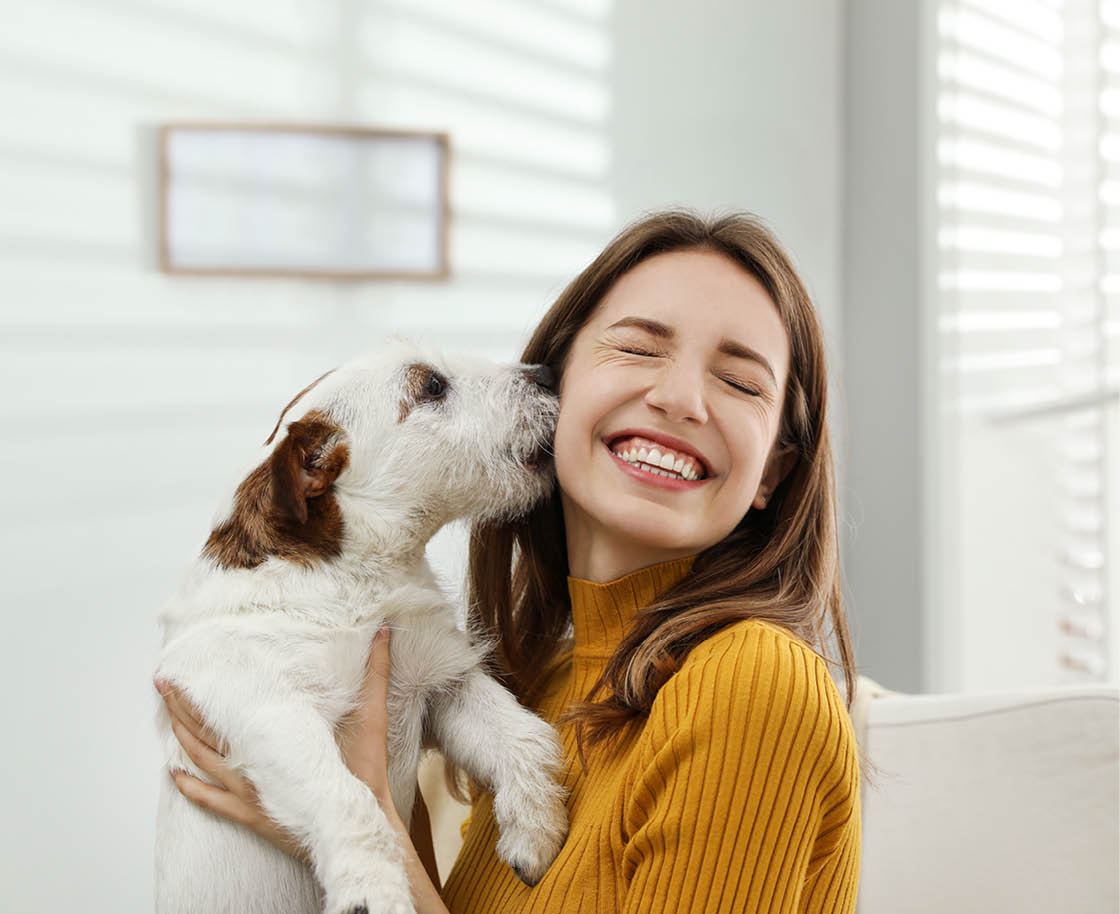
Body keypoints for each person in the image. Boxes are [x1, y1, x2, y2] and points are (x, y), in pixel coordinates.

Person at [158, 210, 862, 913]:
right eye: (640, 349)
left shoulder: (753, 684)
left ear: (773, 471)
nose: (679, 398)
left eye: (741, 382)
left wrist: (364, 817)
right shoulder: (548, 682)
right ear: (559, 380)